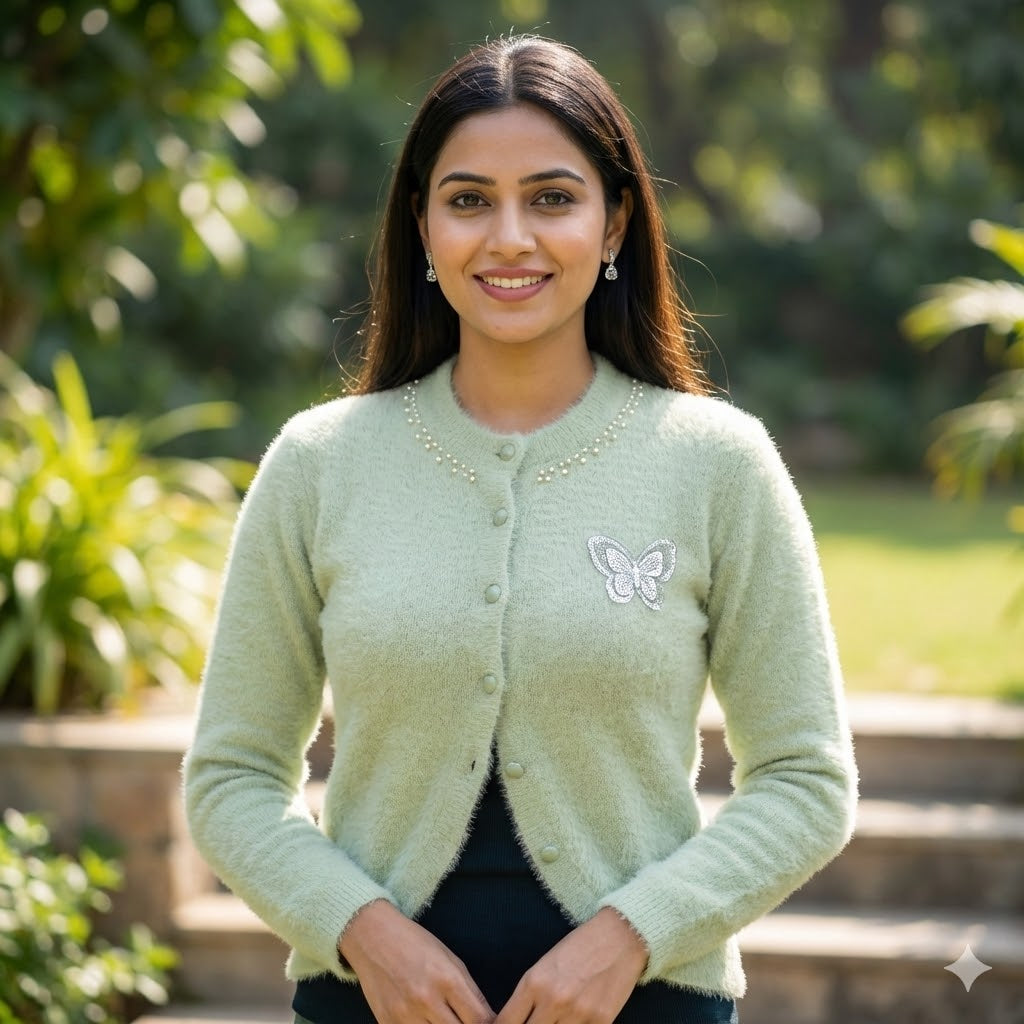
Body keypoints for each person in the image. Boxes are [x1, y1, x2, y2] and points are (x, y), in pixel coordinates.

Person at [183, 34, 858, 1024]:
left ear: (614, 221)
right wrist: (366, 932)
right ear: (420, 224)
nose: (509, 237)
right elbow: (230, 777)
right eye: (467, 200)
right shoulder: (319, 465)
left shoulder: (717, 464)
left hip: (652, 1005)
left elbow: (806, 777)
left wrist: (626, 940)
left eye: (551, 197)